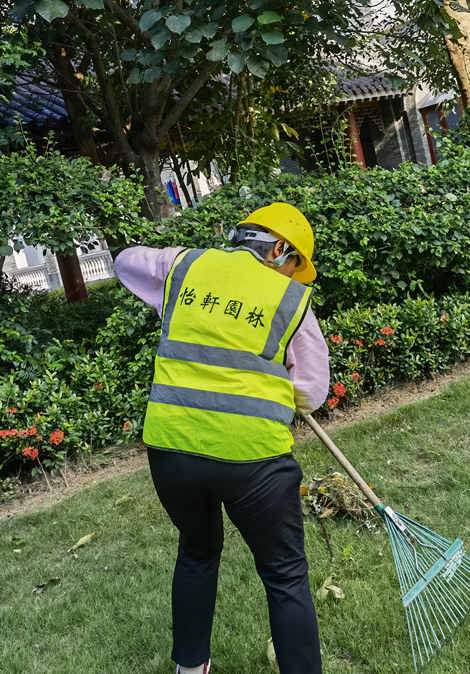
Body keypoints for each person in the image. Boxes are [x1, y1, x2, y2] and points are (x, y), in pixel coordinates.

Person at [114, 202, 330, 674]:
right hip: (252, 460)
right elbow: (311, 391)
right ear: (280, 249)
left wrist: (170, 291)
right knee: (285, 574)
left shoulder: (185, 266)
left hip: (172, 453)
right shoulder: (289, 300)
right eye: (295, 266)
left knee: (197, 550)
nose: (294, 277)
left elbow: (126, 261)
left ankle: (190, 669)